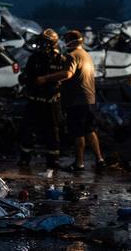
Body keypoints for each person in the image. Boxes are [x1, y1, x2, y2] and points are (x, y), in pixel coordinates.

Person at [44, 29, 105, 171]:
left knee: (77, 132)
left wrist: (46, 78)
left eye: (66, 40)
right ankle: (100, 159)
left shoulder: (72, 56)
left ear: (70, 41)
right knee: (90, 130)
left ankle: (79, 163)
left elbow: (68, 73)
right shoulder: (86, 55)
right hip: (90, 99)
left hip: (77, 101)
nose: (64, 43)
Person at [17, 28, 70, 168]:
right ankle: (24, 158)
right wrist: (23, 78)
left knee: (52, 132)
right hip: (34, 101)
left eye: (45, 42)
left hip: (51, 102)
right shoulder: (33, 58)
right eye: (41, 42)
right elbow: (26, 75)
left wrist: (47, 80)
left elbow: (65, 76)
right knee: (28, 131)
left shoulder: (60, 59)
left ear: (52, 44)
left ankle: (53, 161)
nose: (41, 45)